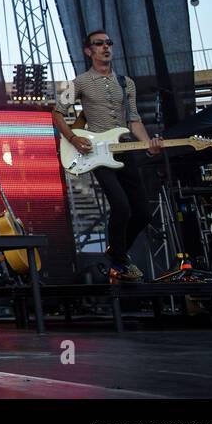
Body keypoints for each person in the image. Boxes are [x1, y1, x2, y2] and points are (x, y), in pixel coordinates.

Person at [52, 29, 163, 282]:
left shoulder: (126, 83)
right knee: (121, 206)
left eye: (109, 43)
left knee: (143, 213)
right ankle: (120, 262)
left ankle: (116, 250)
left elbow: (133, 119)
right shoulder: (78, 82)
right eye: (99, 44)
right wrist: (73, 138)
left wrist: (148, 144)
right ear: (88, 51)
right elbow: (57, 113)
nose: (106, 47)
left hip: (124, 151)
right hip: (98, 153)